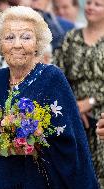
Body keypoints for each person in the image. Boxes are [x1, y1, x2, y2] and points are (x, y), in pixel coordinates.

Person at [0, 6, 98, 189]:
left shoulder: (52, 78)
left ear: (38, 43)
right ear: (0, 44)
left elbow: (70, 143)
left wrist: (27, 145)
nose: (17, 44)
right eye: (9, 37)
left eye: (26, 37)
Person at [54, 0, 104, 187]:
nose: (90, 7)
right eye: (89, 3)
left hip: (101, 118)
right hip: (72, 115)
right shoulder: (70, 37)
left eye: (97, 4)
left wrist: (91, 101)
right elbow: (57, 74)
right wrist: (73, 105)